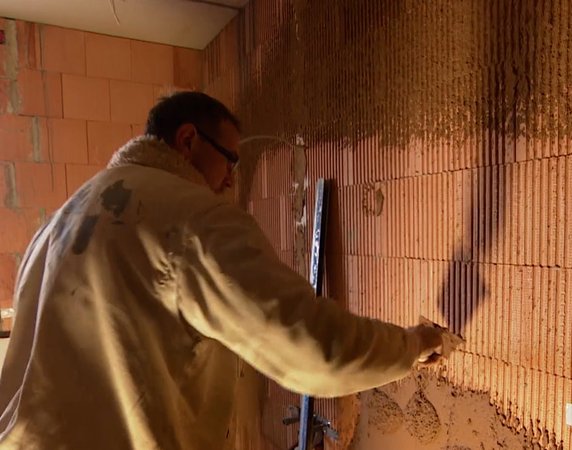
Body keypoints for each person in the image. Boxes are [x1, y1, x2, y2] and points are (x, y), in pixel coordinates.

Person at [0, 91, 444, 450]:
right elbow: (312, 345)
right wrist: (411, 346)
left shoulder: (59, 223)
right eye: (229, 160)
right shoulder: (192, 216)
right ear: (188, 140)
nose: (232, 179)